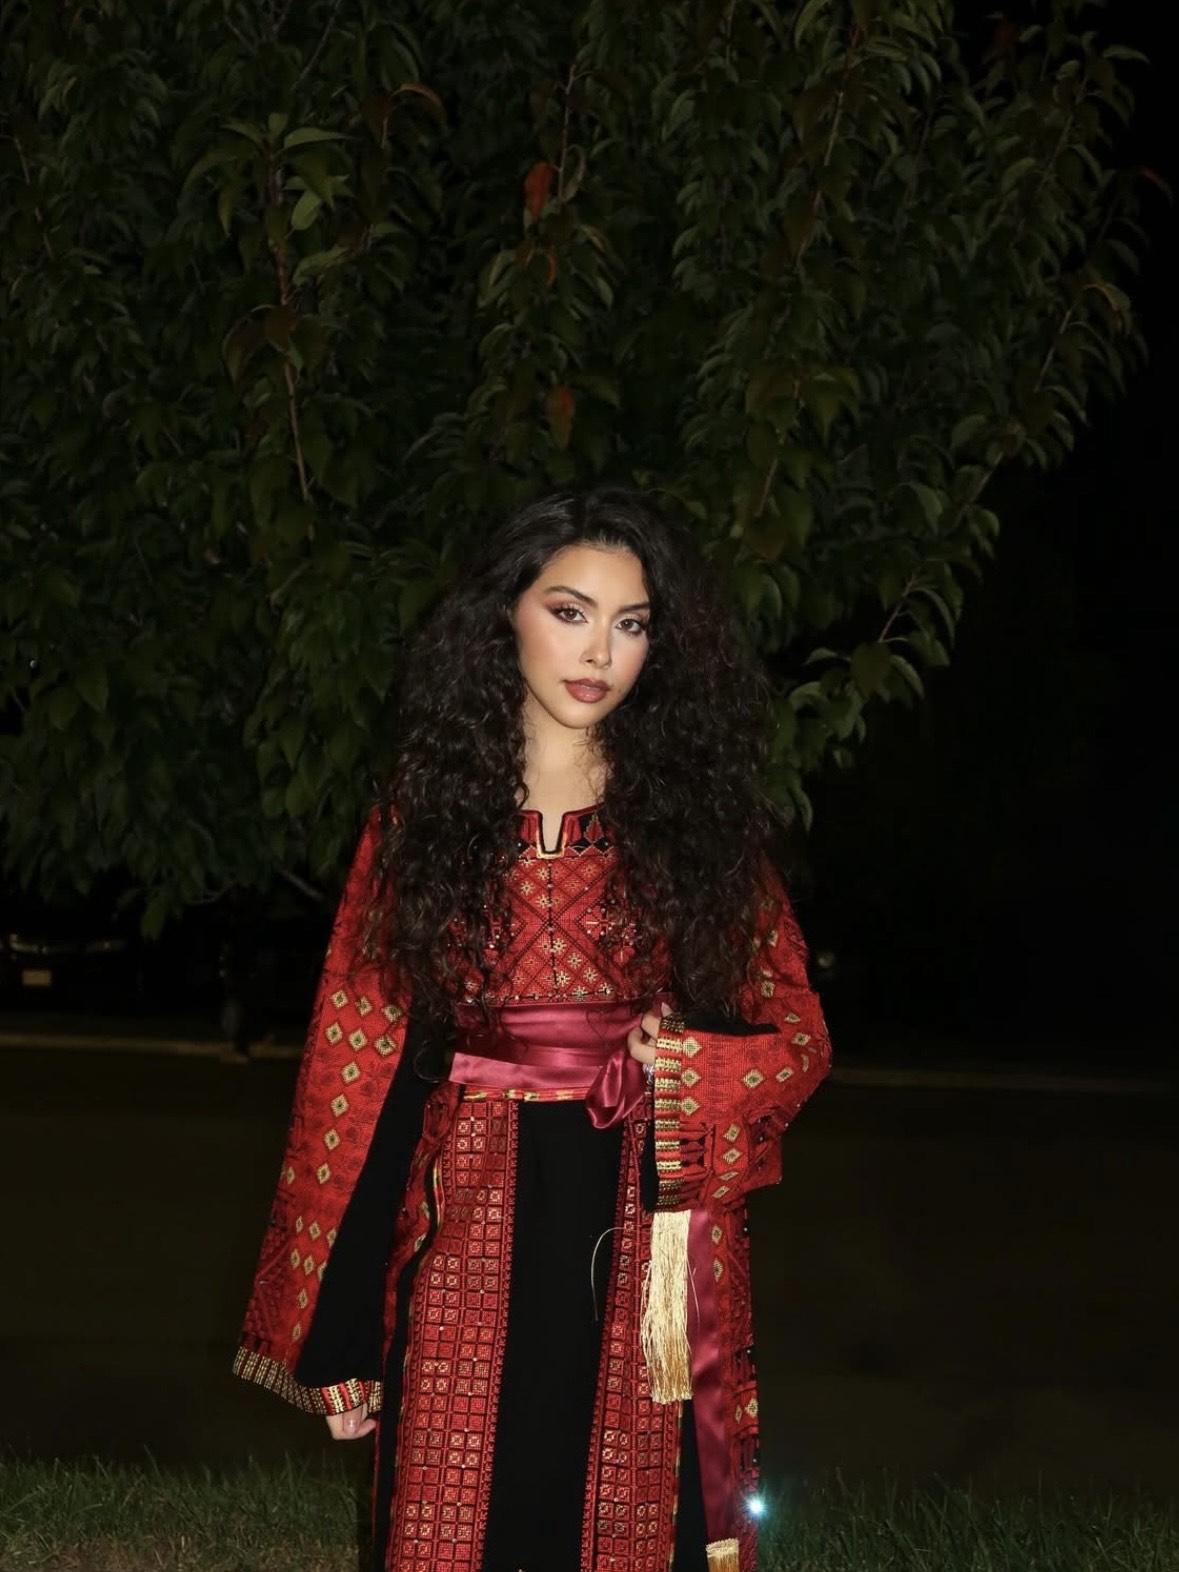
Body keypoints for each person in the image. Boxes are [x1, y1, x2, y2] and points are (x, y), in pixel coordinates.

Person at [234, 486, 831, 1572]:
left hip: (640, 1216)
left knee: (625, 1510)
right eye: (569, 611)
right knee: (451, 1503)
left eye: (631, 623)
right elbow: (358, 1068)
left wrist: (687, 1062)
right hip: (465, 1201)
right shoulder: (425, 814)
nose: (599, 651)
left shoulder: (691, 824)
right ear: (505, 611)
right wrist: (340, 1336)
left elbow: (794, 1032)